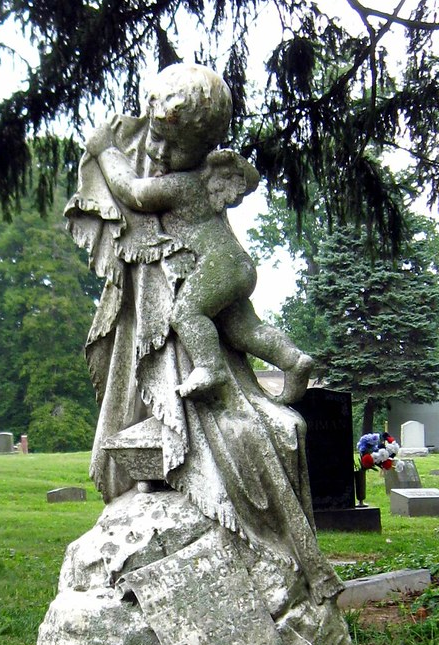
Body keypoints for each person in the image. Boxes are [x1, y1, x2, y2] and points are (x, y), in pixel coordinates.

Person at [85, 64, 312, 401]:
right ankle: (293, 360)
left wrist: (105, 151)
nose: (160, 152)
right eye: (156, 137)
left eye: (174, 146)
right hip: (234, 265)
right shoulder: (207, 176)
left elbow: (134, 192)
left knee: (185, 312)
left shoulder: (183, 185)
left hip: (218, 264)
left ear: (204, 147)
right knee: (242, 331)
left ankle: (210, 367)